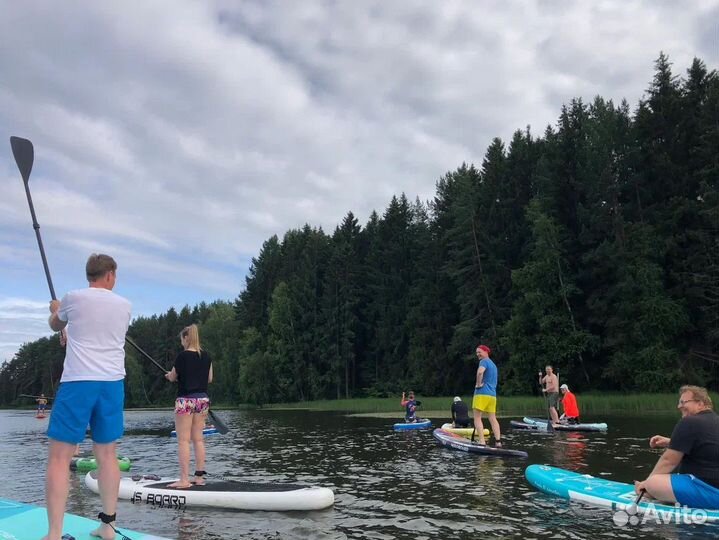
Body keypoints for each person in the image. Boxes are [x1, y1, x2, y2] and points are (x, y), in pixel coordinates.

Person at [46, 253, 131, 540]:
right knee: (107, 455)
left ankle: (55, 533)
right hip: (112, 384)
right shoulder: (124, 306)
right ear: (109, 275)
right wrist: (72, 331)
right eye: (115, 275)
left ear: (89, 275)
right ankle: (107, 527)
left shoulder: (73, 297)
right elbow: (100, 334)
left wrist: (56, 310)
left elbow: (55, 325)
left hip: (79, 381)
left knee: (59, 458)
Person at [634, 385, 719, 509]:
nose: (679, 406)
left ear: (700, 404)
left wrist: (646, 484)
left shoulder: (689, 422)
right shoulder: (714, 421)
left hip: (710, 493)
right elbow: (709, 446)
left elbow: (668, 461)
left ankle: (650, 491)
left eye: (683, 402)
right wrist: (671, 442)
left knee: (654, 482)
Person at [165, 324, 213, 489]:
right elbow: (209, 379)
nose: (181, 343)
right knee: (198, 439)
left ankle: (184, 480)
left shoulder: (182, 356)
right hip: (202, 400)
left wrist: (170, 376)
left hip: (185, 400)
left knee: (183, 441)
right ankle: (198, 478)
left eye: (181, 340)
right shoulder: (206, 356)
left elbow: (172, 377)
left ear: (186, 338)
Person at [473, 344, 501, 447]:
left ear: (486, 352)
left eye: (479, 352)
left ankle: (481, 441)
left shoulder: (483, 361)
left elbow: (480, 372)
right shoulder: (493, 365)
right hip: (492, 395)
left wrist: (478, 384)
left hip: (482, 393)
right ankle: (498, 442)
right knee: (493, 418)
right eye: (477, 352)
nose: (478, 354)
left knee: (477, 417)